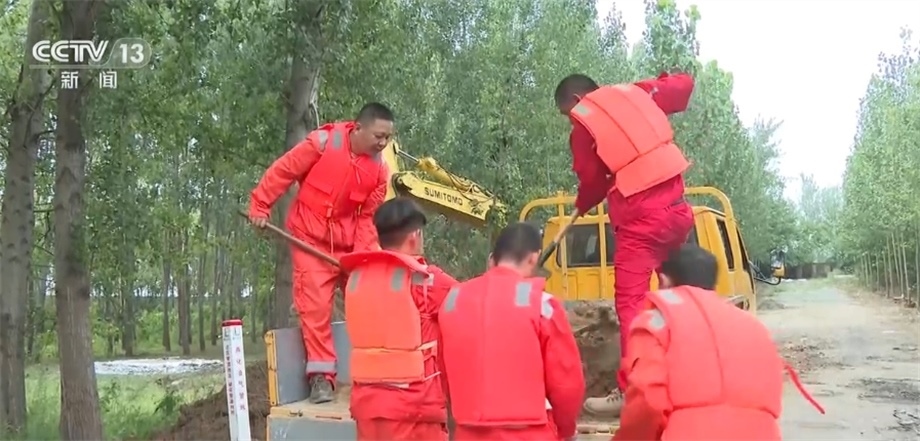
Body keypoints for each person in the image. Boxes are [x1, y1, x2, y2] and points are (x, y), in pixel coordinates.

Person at [553, 72, 696, 415]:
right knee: (679, 298)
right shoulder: (635, 93)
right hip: (677, 213)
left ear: (575, 101)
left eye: (566, 115)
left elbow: (592, 180)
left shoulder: (584, 122)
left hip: (640, 221)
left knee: (632, 304)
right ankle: (690, 378)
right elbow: (683, 87)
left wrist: (583, 202)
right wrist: (662, 80)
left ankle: (634, 390)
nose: (571, 121)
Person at [248, 103, 394, 403]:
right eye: (378, 136)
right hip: (309, 240)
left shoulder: (380, 171)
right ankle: (321, 378)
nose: (383, 143)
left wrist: (360, 258)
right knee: (314, 305)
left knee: (367, 299)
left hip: (348, 245)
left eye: (387, 138)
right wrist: (260, 205)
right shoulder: (323, 143)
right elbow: (284, 171)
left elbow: (368, 218)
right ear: (358, 128)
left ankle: (376, 372)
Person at [613, 245, 824, 441]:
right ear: (713, 284)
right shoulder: (753, 326)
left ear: (664, 281)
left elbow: (647, 401)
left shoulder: (657, 322)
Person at [439, 222, 585, 441]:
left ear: (492, 260)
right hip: (529, 433)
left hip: (468, 432)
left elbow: (444, 372)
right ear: (534, 258)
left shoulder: (452, 301)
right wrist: (566, 430)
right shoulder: (542, 304)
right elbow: (566, 383)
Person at [339, 197, 457, 440]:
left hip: (367, 406)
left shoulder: (358, 279)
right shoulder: (426, 280)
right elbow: (471, 305)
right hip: (414, 412)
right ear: (415, 235)